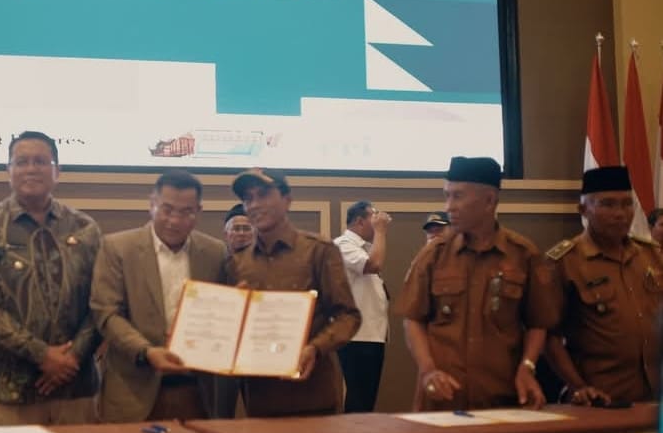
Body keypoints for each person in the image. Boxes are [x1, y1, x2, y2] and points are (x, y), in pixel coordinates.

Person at [0, 131, 102, 426]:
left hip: (74, 386)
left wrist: (71, 358)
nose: (31, 169)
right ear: (8, 170)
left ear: (57, 171)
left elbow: (103, 300)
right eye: (22, 162)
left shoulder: (85, 228)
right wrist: (42, 355)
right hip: (4, 390)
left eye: (40, 161)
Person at [400, 156, 559, 411]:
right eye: (447, 196)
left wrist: (527, 367)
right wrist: (428, 369)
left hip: (502, 398)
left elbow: (538, 322)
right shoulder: (434, 255)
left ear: (489, 200)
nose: (449, 206)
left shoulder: (523, 254)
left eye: (458, 196)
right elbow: (413, 319)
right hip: (442, 401)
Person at [91, 170, 229, 422]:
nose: (175, 220)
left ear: (198, 211)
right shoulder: (118, 248)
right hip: (133, 392)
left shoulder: (214, 252)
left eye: (186, 212)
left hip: (196, 392)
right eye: (167, 210)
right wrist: (146, 351)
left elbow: (221, 311)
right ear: (152, 205)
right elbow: (107, 314)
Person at [227, 168, 361, 417]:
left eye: (263, 195)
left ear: (287, 199)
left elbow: (349, 316)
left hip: (313, 397)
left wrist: (315, 348)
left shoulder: (319, 251)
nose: (254, 205)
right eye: (248, 198)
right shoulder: (237, 263)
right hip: (260, 400)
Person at [544, 166, 663, 405]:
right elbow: (549, 336)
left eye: (627, 204)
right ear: (583, 210)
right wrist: (578, 386)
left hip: (654, 397)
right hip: (601, 398)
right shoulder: (565, 262)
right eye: (607, 204)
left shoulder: (652, 255)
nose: (620, 213)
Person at [334, 201, 391, 413]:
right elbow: (374, 265)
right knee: (359, 398)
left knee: (366, 398)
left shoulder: (363, 247)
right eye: (373, 217)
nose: (378, 221)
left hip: (371, 334)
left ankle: (359, 431)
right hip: (358, 335)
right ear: (359, 221)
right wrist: (381, 231)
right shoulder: (343, 244)